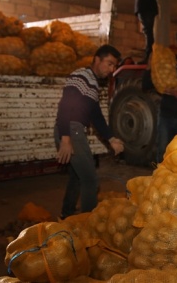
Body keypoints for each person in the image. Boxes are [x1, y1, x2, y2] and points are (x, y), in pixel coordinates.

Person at [54, 44, 125, 218]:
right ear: (96, 59)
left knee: (77, 177)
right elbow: (65, 105)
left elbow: (96, 115)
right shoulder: (81, 76)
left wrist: (111, 138)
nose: (111, 69)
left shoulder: (92, 82)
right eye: (109, 63)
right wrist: (65, 139)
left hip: (73, 130)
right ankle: (88, 226)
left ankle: (67, 215)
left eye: (114, 65)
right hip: (71, 130)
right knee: (90, 180)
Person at [126, 0, 159, 64]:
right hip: (151, 6)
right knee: (149, 32)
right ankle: (149, 56)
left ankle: (148, 57)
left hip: (143, 6)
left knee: (147, 32)